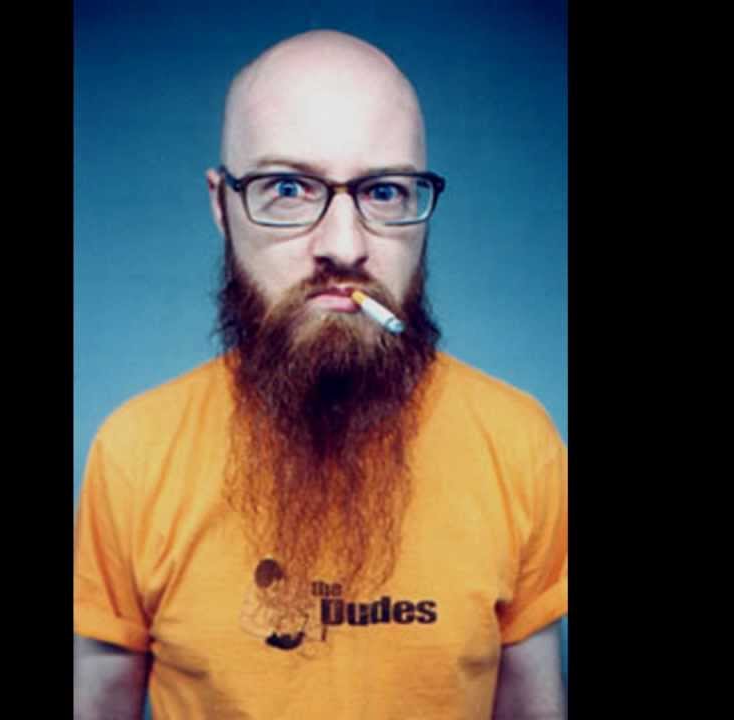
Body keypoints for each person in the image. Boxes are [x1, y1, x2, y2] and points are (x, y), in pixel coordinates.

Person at [74, 29, 567, 720]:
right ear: (221, 206)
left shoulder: (518, 444)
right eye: (287, 188)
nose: (343, 245)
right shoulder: (134, 453)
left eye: (385, 191)